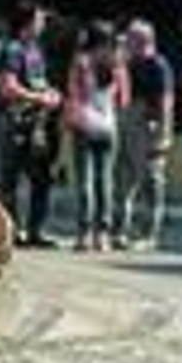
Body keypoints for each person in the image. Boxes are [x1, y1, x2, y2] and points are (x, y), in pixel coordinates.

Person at [0, 0, 63, 248]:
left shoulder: (35, 50)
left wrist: (52, 94)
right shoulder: (12, 50)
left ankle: (35, 230)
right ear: (27, 22)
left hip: (38, 124)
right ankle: (11, 232)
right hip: (16, 122)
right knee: (10, 179)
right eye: (39, 19)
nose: (43, 23)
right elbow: (7, 87)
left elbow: (37, 83)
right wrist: (39, 97)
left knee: (41, 177)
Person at [114, 18, 174, 251]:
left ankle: (150, 234)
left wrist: (164, 134)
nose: (126, 41)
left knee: (151, 180)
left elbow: (166, 101)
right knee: (125, 178)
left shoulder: (158, 65)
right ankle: (121, 231)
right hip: (129, 122)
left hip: (149, 124)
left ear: (144, 40)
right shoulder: (129, 63)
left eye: (131, 38)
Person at [67, 20, 127, 252]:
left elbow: (74, 94)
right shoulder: (117, 64)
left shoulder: (80, 63)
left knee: (85, 181)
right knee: (106, 181)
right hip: (109, 126)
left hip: (84, 125)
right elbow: (124, 100)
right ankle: (102, 235)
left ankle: (83, 234)